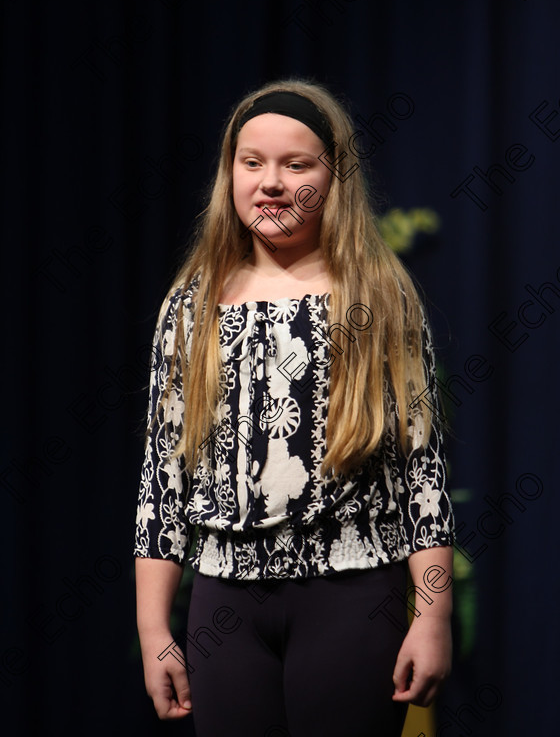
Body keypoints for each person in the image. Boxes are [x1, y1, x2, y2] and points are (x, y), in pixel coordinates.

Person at [134, 78, 455, 737]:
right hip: (226, 603)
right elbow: (163, 480)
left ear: (334, 179)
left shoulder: (377, 297)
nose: (271, 182)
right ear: (230, 175)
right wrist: (153, 630)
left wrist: (432, 616)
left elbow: (422, 472)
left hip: (351, 594)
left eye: (296, 164)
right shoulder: (190, 307)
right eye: (252, 163)